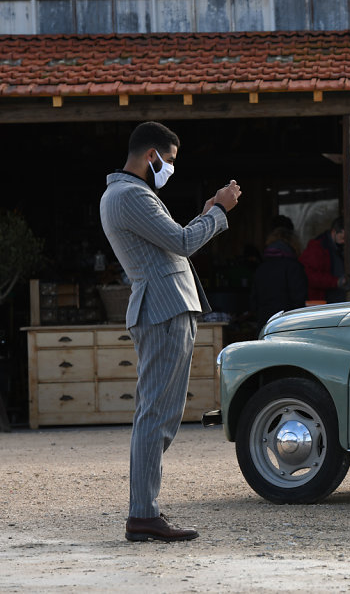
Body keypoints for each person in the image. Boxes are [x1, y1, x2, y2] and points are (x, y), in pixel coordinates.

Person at [100, 121, 240, 543]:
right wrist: (219, 211)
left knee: (158, 413)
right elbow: (181, 242)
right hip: (163, 310)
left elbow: (174, 239)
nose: (171, 168)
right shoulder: (132, 196)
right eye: (170, 160)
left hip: (160, 309)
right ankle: (143, 514)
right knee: (156, 415)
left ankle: (146, 510)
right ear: (151, 156)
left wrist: (207, 212)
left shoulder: (123, 194)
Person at [250, 219, 308, 328]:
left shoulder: (261, 268)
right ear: (293, 244)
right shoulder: (293, 267)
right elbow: (299, 299)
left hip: (265, 323)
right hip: (286, 323)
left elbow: (253, 301)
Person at [300, 217, 350, 303]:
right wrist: (336, 282)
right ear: (334, 232)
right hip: (321, 301)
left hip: (336, 298)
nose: (344, 242)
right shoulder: (317, 247)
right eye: (342, 238)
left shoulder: (338, 248)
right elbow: (310, 276)